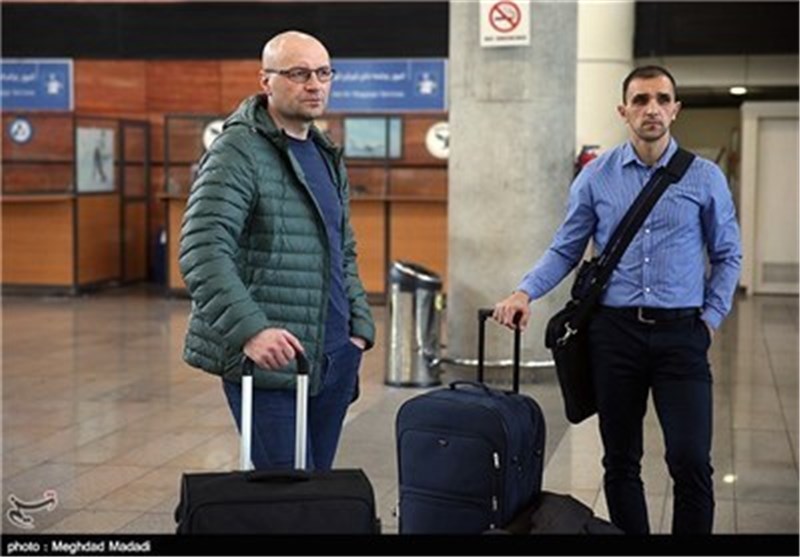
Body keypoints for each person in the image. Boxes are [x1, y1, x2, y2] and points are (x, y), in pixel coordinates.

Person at [493, 66, 742, 534]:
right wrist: (525, 290)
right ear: (623, 110)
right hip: (615, 335)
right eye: (641, 100)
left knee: (690, 459)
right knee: (621, 460)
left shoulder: (705, 178)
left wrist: (709, 320)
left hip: (681, 335)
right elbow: (566, 248)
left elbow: (728, 255)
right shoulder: (596, 177)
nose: (652, 109)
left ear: (676, 109)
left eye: (662, 99)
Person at [179, 30, 375, 471]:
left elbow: (342, 249)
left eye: (323, 73)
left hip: (334, 356)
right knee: (284, 492)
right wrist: (252, 331)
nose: (315, 84)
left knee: (317, 487)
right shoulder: (238, 151)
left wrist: (359, 329)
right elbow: (202, 250)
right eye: (299, 73)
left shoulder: (324, 153)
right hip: (272, 361)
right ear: (266, 80)